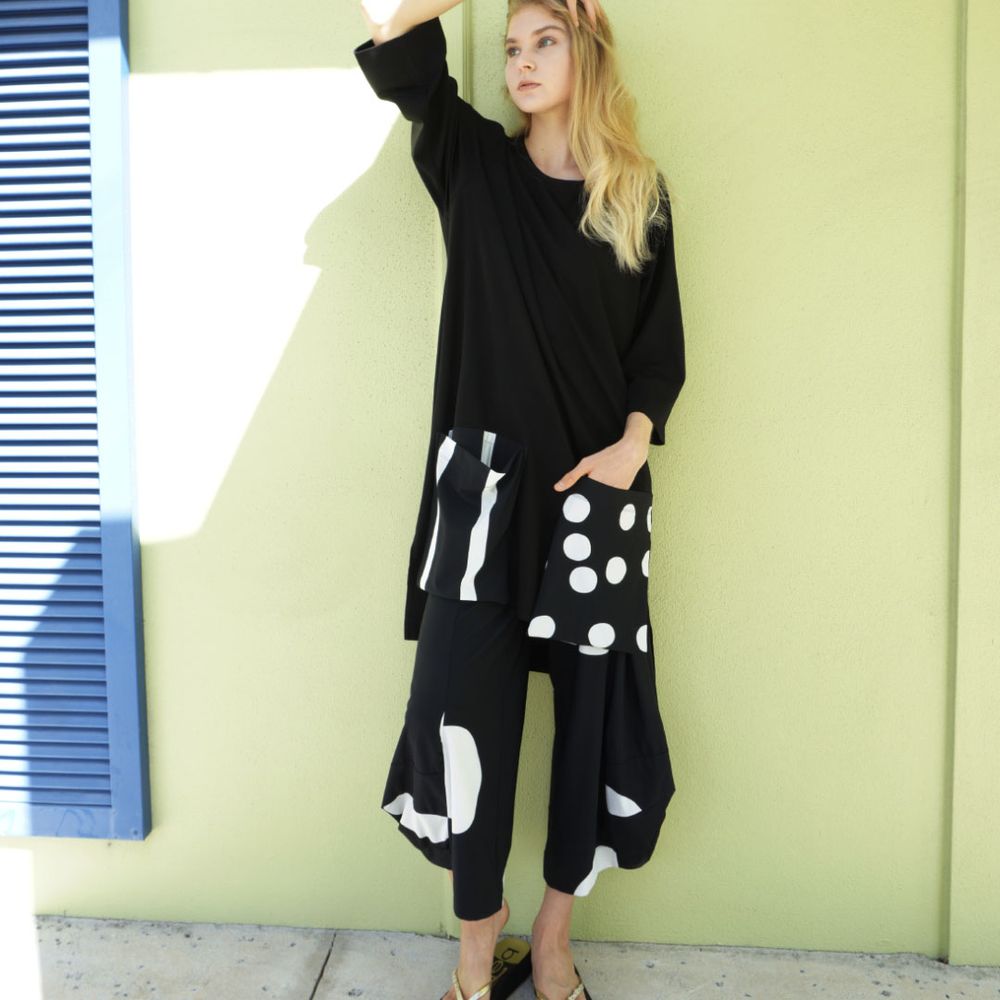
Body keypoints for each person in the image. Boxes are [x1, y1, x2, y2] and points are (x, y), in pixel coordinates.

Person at [353, 0, 686, 997]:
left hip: (593, 499)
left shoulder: (638, 193)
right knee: (458, 716)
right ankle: (476, 941)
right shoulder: (474, 165)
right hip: (482, 500)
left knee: (589, 724)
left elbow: (657, 353)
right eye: (511, 46)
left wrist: (632, 444)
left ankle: (550, 939)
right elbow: (389, 28)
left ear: (588, 52)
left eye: (546, 40)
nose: (522, 61)